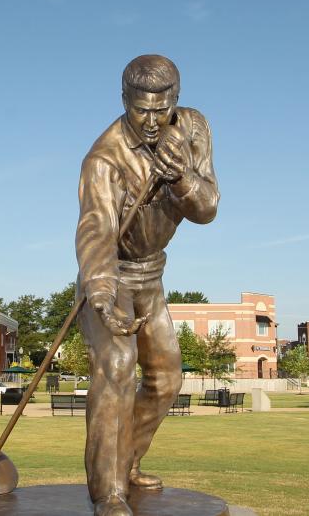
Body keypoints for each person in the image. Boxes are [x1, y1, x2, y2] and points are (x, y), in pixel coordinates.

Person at [75, 54, 219, 516]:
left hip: (151, 276)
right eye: (142, 110)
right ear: (124, 100)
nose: (153, 121)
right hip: (111, 274)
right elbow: (97, 228)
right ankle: (109, 491)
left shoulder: (193, 128)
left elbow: (208, 208)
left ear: (176, 100)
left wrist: (183, 178)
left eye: (162, 109)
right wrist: (98, 291)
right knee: (117, 363)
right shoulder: (104, 157)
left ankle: (128, 462)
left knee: (166, 377)